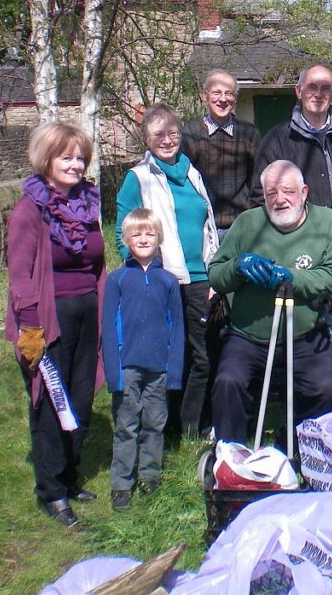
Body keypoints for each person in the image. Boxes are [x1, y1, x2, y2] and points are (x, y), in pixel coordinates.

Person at [251, 64, 332, 405]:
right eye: (312, 86)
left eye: (326, 87)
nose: (319, 93)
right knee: (302, 329)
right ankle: (302, 401)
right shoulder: (279, 140)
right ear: (298, 91)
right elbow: (259, 195)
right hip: (295, 254)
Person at [5, 121, 105, 527]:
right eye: (67, 157)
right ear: (46, 158)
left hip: (87, 312)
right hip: (48, 320)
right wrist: (31, 328)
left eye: (81, 157)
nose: (76, 164)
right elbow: (20, 275)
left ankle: (70, 476)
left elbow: (97, 262)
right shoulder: (30, 209)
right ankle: (51, 492)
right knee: (50, 404)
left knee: (80, 398)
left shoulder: (87, 204)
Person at [207, 160, 332, 445]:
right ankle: (231, 454)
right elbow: (216, 275)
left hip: (305, 334)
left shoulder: (326, 221)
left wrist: (292, 278)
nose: (280, 199)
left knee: (326, 386)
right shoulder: (247, 224)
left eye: (288, 191)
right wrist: (237, 266)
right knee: (227, 381)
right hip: (249, 336)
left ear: (304, 192)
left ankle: (298, 445)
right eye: (271, 193)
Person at [116, 103, 219, 439]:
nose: (167, 140)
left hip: (200, 280)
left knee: (201, 356)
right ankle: (165, 427)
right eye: (158, 134)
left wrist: (214, 272)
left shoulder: (192, 173)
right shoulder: (139, 178)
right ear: (146, 139)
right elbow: (123, 235)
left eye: (172, 132)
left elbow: (209, 228)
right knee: (169, 356)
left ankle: (192, 427)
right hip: (164, 280)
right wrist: (144, 276)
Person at [102, 209, 185, 510]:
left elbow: (176, 328)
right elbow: (109, 329)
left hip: (159, 369)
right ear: (126, 240)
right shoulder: (118, 280)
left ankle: (150, 476)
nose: (143, 239)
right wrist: (115, 373)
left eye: (149, 233)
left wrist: (173, 371)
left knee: (154, 423)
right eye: (136, 234)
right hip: (128, 368)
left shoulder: (168, 281)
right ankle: (122, 483)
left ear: (159, 237)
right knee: (126, 425)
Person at [181, 69, 261, 236]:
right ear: (205, 95)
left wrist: (255, 218)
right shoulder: (189, 135)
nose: (223, 99)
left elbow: (258, 180)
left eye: (229, 94)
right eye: (217, 93)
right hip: (201, 226)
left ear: (236, 98)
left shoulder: (249, 133)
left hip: (241, 226)